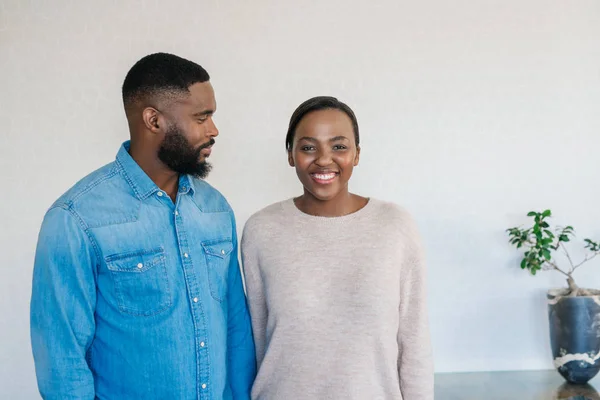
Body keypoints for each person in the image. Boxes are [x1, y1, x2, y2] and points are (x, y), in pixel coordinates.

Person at [30, 53, 256, 399]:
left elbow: (236, 329)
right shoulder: (76, 218)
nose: (214, 130)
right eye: (201, 117)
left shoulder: (215, 209)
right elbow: (61, 359)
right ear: (153, 120)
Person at [241, 96, 433, 399]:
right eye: (308, 147)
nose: (324, 159)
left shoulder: (395, 226)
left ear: (356, 154)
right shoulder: (261, 230)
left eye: (339, 146)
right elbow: (256, 340)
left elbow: (414, 343)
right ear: (290, 155)